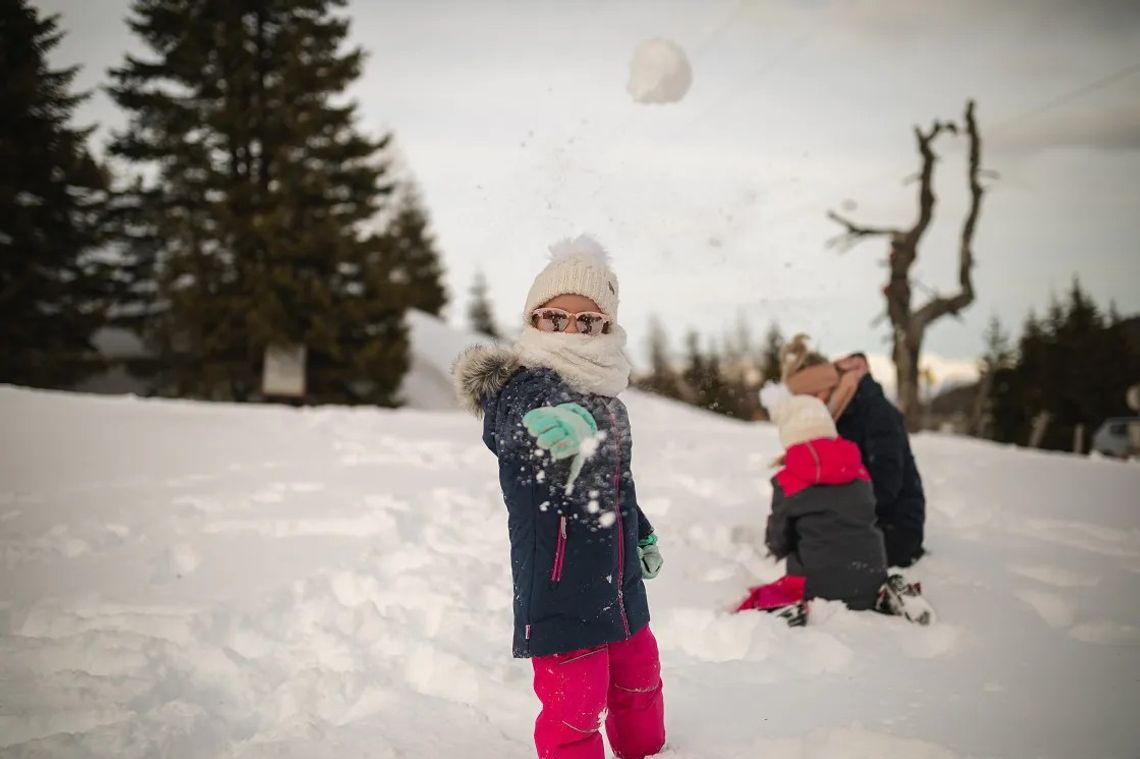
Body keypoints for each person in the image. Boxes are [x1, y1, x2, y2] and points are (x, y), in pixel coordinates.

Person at [452, 235, 665, 759]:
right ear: (533, 321)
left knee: (640, 678)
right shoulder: (523, 387)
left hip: (619, 581)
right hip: (560, 581)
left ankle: (650, 752)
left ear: (607, 329)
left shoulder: (608, 400)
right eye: (553, 317)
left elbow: (616, 483)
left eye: (588, 321)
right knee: (575, 706)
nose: (570, 329)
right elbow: (514, 428)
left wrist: (638, 529)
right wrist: (560, 424)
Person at [736, 386, 888, 620]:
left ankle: (786, 608)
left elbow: (778, 537)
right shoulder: (859, 470)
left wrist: (779, 547)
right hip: (871, 574)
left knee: (753, 603)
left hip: (816, 585)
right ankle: (887, 595)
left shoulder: (788, 480)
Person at [781, 336, 927, 568]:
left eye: (814, 396)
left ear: (828, 388)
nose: (813, 405)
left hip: (893, 530)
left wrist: (830, 514)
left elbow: (885, 487)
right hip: (858, 523)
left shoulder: (877, 413)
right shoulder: (834, 417)